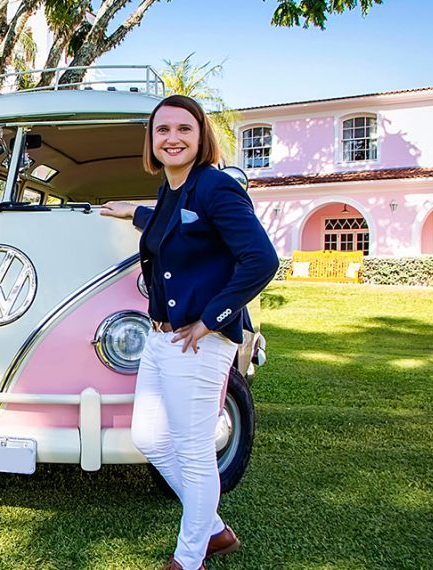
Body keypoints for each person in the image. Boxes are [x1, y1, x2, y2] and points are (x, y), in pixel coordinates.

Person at [100, 95, 279, 570]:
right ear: (151, 140)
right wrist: (131, 211)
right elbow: (169, 223)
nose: (172, 138)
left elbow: (261, 259)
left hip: (199, 341)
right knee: (149, 437)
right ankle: (214, 529)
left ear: (201, 137)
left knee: (194, 451)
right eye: (163, 130)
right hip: (161, 337)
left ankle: (190, 557)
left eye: (184, 129)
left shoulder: (216, 186)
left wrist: (212, 318)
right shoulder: (170, 190)